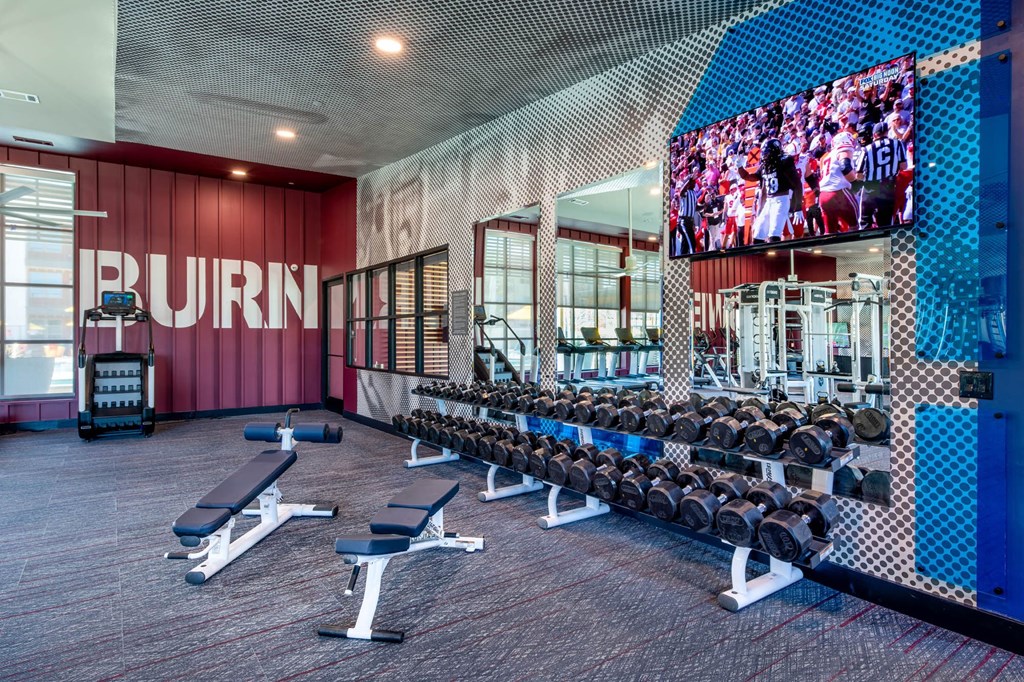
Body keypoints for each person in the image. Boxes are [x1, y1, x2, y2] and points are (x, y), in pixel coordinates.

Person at [737, 138, 803, 243]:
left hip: (781, 201)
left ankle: (776, 259)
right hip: (769, 201)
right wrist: (740, 167)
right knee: (758, 235)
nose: (764, 155)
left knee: (774, 235)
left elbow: (798, 185)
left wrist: (798, 207)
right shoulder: (765, 165)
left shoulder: (785, 161)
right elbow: (748, 177)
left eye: (767, 153)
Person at [857, 121, 907, 228]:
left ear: (875, 134)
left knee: (865, 221)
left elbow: (859, 174)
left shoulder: (867, 149)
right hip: (888, 186)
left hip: (870, 187)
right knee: (885, 223)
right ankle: (885, 243)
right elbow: (904, 166)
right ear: (886, 132)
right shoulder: (897, 144)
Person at [817, 132, 859, 233]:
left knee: (830, 233)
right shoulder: (843, 149)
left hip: (823, 196)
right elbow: (845, 167)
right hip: (839, 193)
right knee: (855, 226)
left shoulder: (827, 156)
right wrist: (856, 180)